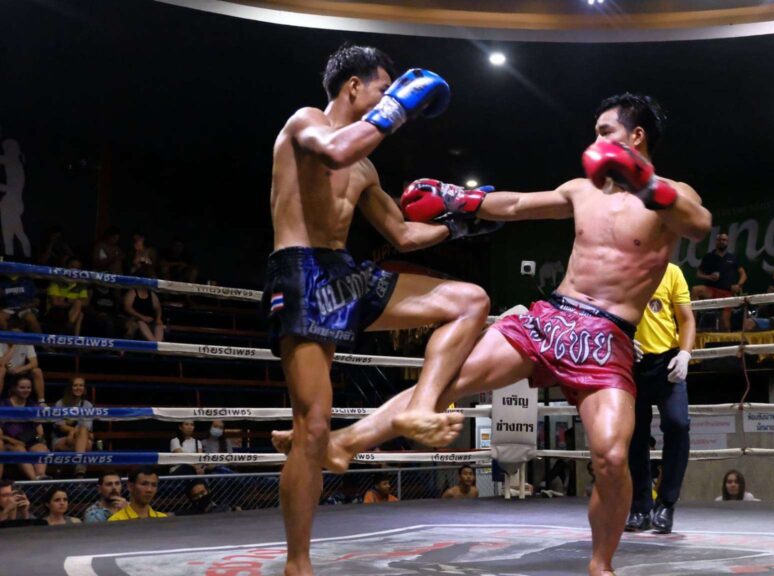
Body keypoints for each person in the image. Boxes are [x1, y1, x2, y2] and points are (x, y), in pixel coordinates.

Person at [276, 92, 711, 576]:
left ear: (637, 136)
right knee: (447, 381)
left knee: (611, 457)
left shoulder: (672, 194)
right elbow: (518, 204)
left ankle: (600, 564)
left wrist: (643, 181)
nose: (595, 141)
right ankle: (344, 443)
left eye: (605, 132)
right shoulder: (582, 190)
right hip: (551, 318)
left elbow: (698, 224)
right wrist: (461, 200)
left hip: (606, 337)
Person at [266, 43, 496, 576]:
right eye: (382, 89)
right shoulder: (306, 123)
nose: (391, 100)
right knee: (313, 427)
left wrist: (460, 223)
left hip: (345, 275)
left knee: (470, 300)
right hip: (302, 274)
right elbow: (334, 151)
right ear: (354, 86)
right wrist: (397, 106)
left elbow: (401, 234)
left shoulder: (365, 167)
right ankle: (298, 564)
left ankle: (421, 405)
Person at [626, 262, 694, 534]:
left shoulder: (672, 272)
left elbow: (686, 318)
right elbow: (606, 314)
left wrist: (685, 353)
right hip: (631, 361)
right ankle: (639, 507)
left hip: (667, 360)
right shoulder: (621, 269)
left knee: (678, 424)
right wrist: (621, 339)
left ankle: (666, 504)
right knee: (634, 435)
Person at [692, 233, 745, 330]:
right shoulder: (709, 256)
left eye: (724, 240)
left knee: (724, 322)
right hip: (711, 290)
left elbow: (743, 275)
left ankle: (727, 338)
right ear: (716, 241)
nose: (721, 241)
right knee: (695, 290)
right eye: (719, 239)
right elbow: (698, 274)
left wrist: (739, 285)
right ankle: (692, 325)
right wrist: (708, 277)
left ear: (727, 242)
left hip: (727, 292)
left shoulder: (732, 258)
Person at [0, 376, 49, 479]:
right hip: (9, 443)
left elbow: (40, 431)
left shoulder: (32, 405)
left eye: (28, 388)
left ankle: (41, 477)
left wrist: (38, 439)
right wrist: (15, 441)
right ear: (14, 388)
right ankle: (35, 481)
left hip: (29, 441)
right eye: (22, 387)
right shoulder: (4, 405)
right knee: (19, 449)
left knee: (41, 448)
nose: (26, 390)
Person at [51, 377, 95, 477]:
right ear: (70, 388)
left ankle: (79, 468)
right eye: (75, 385)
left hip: (79, 438)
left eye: (81, 385)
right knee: (86, 444)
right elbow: (61, 426)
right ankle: (79, 470)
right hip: (61, 439)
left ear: (84, 388)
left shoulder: (87, 405)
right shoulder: (60, 403)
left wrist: (73, 433)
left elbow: (86, 427)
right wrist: (72, 432)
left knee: (84, 435)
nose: (78, 388)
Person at [0, 327, 46, 404]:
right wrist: (13, 347)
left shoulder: (26, 342)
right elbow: (2, 363)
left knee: (37, 371)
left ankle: (41, 401)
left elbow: (34, 363)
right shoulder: (1, 343)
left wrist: (20, 369)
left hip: (21, 371)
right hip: (5, 371)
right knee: (1, 370)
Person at [123, 265, 164, 341]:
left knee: (159, 326)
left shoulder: (151, 294)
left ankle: (157, 345)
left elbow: (158, 308)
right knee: (140, 323)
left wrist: (158, 318)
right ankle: (153, 343)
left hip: (150, 320)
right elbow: (127, 307)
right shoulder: (133, 292)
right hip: (135, 319)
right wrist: (142, 317)